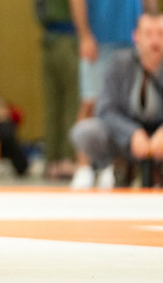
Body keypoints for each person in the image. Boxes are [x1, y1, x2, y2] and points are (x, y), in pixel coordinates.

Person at [70, 14, 163, 189]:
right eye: (149, 34)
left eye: (160, 34)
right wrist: (132, 133)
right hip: (126, 138)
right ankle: (108, 168)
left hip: (159, 136)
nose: (155, 40)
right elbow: (105, 109)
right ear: (136, 36)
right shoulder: (120, 63)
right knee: (85, 132)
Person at [33, 0, 78, 180]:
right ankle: (67, 158)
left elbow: (37, 9)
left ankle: (51, 160)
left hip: (48, 41)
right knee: (71, 101)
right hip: (68, 40)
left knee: (52, 104)